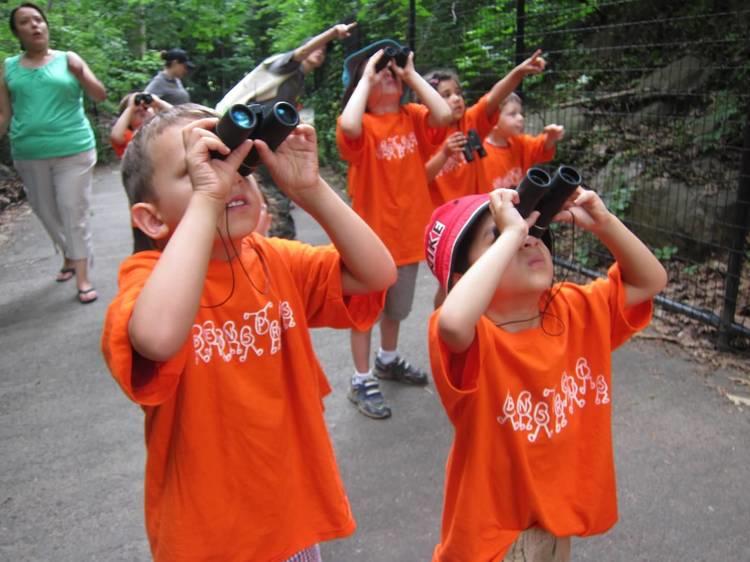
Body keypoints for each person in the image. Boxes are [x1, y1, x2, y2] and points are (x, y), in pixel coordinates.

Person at [100, 103, 396, 561]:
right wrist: (208, 200)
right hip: (210, 535)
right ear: (153, 219)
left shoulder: (274, 259)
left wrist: (310, 189)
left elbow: (377, 274)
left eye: (236, 161)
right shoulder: (149, 280)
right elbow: (156, 337)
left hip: (291, 516)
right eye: (198, 169)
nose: (227, 177)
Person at [423, 187, 667, 561]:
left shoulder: (573, 308)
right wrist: (513, 236)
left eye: (532, 232)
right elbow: (454, 324)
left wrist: (605, 224)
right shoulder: (473, 339)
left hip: (555, 522)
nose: (527, 241)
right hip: (490, 536)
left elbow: (649, 281)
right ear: (462, 279)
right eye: (499, 234)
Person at [337, 39, 453, 419]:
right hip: (370, 241)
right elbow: (349, 123)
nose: (388, 76)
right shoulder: (363, 127)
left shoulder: (412, 116)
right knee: (365, 312)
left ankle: (387, 360)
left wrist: (411, 74)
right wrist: (366, 79)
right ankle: (360, 377)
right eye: (378, 74)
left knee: (396, 310)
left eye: (392, 73)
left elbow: (443, 115)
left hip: (405, 238)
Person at [0, 2, 106, 304]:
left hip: (73, 148)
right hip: (28, 151)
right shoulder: (8, 68)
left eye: (38, 19)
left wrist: (81, 73)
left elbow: (99, 94)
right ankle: (71, 255)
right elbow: (4, 114)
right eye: (25, 22)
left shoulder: (68, 59)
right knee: (45, 212)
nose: (34, 25)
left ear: (46, 25)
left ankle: (83, 277)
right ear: (17, 32)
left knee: (73, 210)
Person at [216, 22, 357, 241]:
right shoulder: (281, 65)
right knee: (264, 190)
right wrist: (331, 34)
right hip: (238, 130)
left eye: (323, 52)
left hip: (257, 136)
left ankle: (273, 242)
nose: (319, 53)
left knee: (264, 191)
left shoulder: (297, 79)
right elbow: (301, 53)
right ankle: (274, 241)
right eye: (316, 48)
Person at [423, 49, 547, 208]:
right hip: (443, 219)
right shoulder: (422, 133)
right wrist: (444, 153)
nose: (456, 99)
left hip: (475, 211)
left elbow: (495, 96)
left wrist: (519, 72)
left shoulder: (469, 122)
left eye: (458, 93)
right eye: (446, 95)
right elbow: (420, 179)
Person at [481, 92, 565, 191]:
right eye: (513, 114)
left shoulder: (520, 143)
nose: (521, 118)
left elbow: (541, 147)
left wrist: (551, 137)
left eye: (520, 113)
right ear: (492, 120)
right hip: (487, 204)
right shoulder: (479, 152)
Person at [109, 91, 172, 159]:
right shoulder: (128, 136)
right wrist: (131, 108)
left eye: (146, 108)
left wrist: (158, 102)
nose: (142, 111)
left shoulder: (160, 129)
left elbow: (180, 119)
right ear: (126, 119)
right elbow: (115, 137)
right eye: (136, 111)